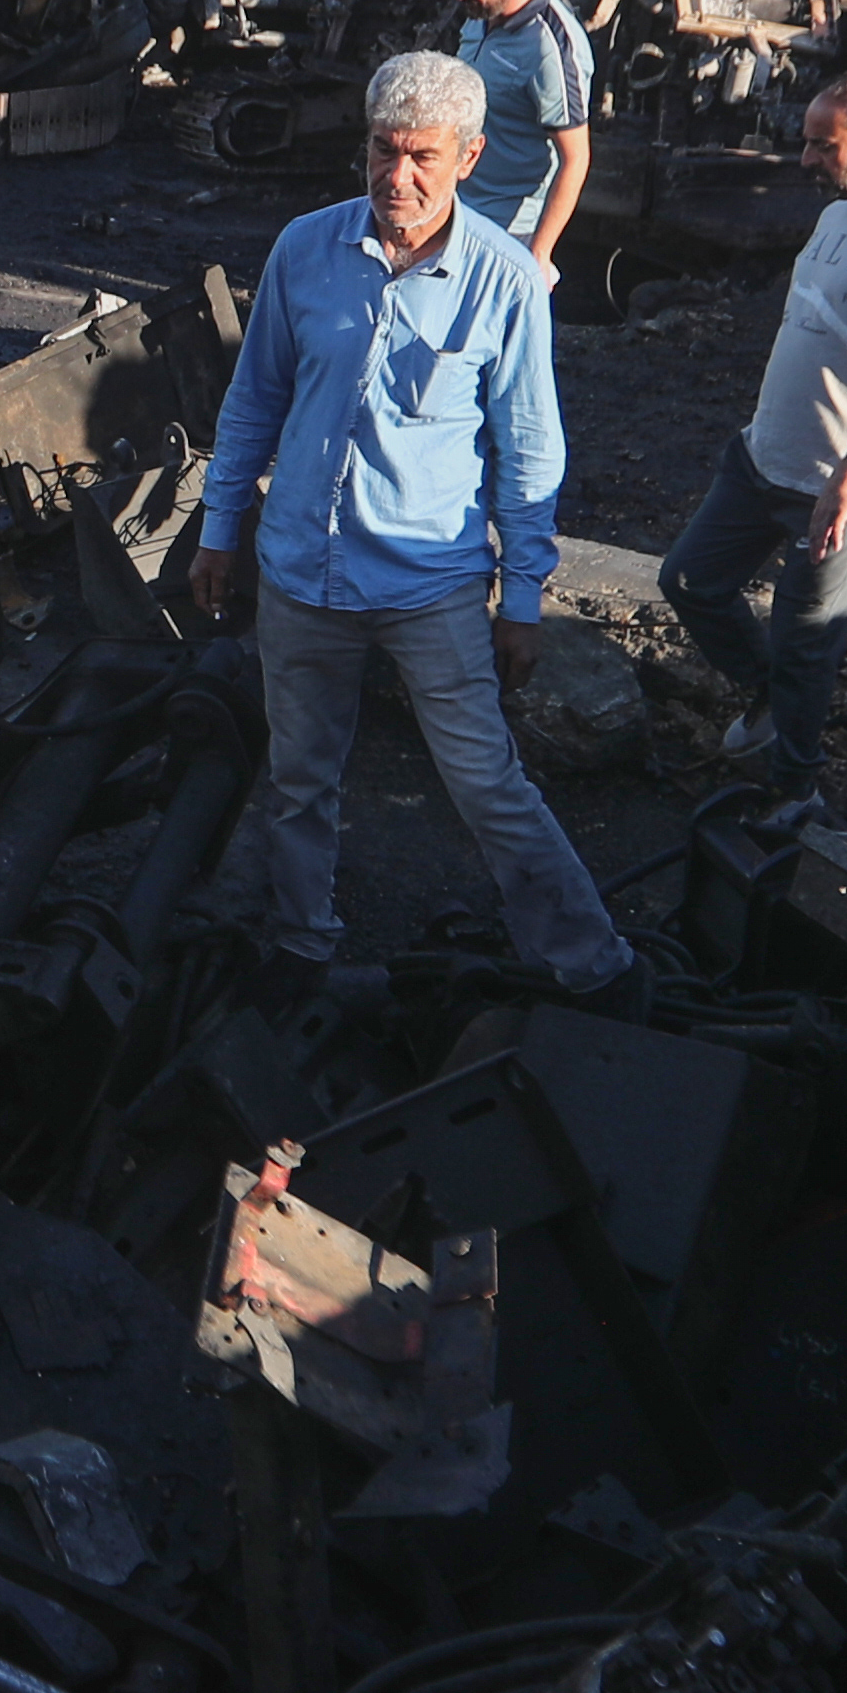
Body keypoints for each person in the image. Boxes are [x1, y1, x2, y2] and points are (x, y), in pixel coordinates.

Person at [193, 51, 645, 1007]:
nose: (397, 179)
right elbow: (252, 401)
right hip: (300, 576)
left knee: (486, 783)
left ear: (471, 157)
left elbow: (529, 455)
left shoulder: (507, 283)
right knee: (299, 776)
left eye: (423, 159)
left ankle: (593, 966)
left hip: (428, 586)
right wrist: (219, 528)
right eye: (382, 152)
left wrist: (521, 598)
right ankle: (301, 946)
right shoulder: (304, 252)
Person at [659, 75, 847, 809]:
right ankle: (771, 703)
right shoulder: (839, 212)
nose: (805, 161)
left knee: (808, 636)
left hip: (845, 482)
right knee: (690, 580)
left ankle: (796, 791)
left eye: (821, 146)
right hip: (765, 456)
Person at [444, 0, 597, 279]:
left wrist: (538, 256)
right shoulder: (481, 14)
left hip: (508, 231)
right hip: (456, 211)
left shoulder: (551, 47)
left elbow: (576, 159)